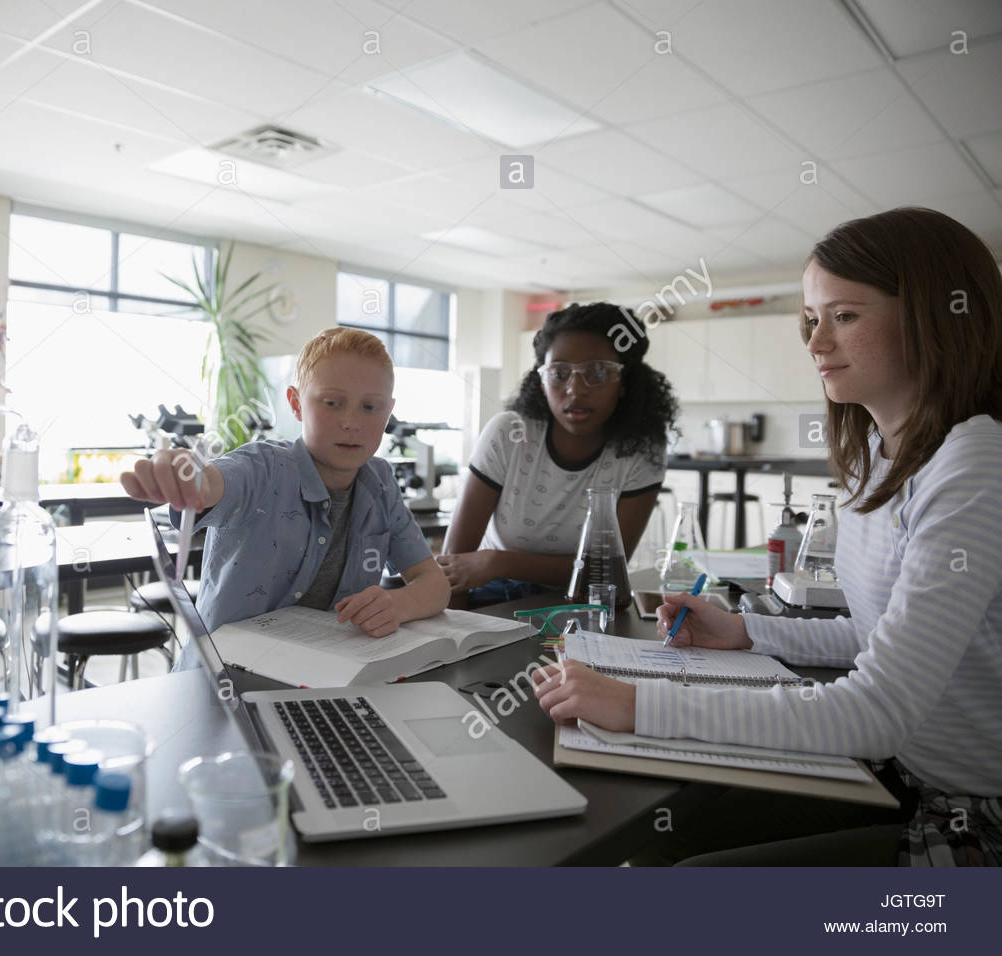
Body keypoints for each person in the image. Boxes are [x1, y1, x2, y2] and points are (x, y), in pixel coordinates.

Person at [533, 208, 1002, 866]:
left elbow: (881, 707)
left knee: (688, 878)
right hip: (903, 773)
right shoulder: (878, 450)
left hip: (971, 814)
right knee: (667, 840)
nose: (815, 344)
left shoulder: (974, 462)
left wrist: (638, 703)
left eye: (844, 316)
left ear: (933, 316)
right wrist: (749, 632)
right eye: (812, 320)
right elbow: (880, 636)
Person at [120, 327, 450, 667]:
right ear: (295, 403)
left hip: (325, 679)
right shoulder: (263, 468)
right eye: (333, 403)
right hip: (225, 682)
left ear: (389, 412)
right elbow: (213, 481)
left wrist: (397, 605)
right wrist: (186, 474)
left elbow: (435, 585)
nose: (351, 422)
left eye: (371, 407)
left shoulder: (380, 484)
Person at [439, 302, 678, 607]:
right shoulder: (509, 433)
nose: (576, 390)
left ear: (624, 383)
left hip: (584, 608)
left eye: (598, 372)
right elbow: (453, 568)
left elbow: (607, 571)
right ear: (542, 379)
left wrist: (498, 562)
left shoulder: (641, 449)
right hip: (492, 601)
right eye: (560, 373)